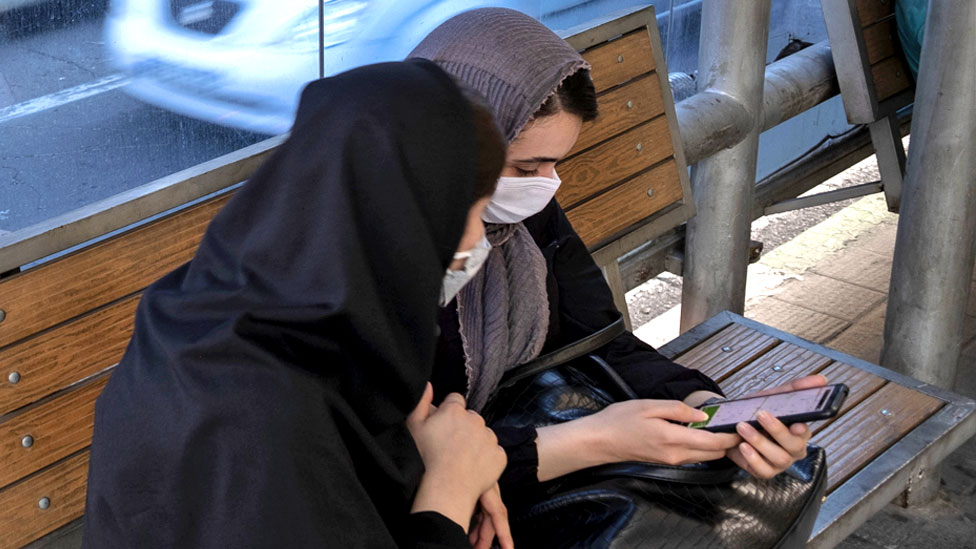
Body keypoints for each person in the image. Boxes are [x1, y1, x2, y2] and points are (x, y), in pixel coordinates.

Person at [82, 59, 512, 548]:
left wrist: (428, 457)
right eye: (472, 211)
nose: (480, 237)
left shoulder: (207, 310)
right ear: (398, 220)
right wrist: (448, 495)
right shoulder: (257, 419)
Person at [410, 8, 827, 490]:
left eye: (555, 165)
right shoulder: (371, 266)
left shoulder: (516, 218)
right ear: (447, 149)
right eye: (527, 170)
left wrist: (705, 411)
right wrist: (599, 441)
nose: (548, 187)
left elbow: (600, 338)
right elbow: (393, 470)